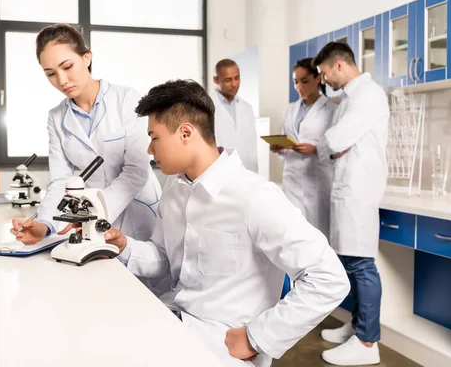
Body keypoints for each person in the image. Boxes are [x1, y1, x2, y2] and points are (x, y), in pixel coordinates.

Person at [100, 79, 349, 367]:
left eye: (154, 138)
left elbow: (329, 279)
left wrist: (257, 338)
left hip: (220, 347)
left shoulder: (255, 197)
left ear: (185, 133)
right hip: (174, 322)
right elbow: (164, 257)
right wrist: (125, 247)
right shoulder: (173, 188)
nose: (149, 151)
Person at [9, 24, 163, 282]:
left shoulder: (126, 99)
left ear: (86, 57)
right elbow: (61, 180)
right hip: (92, 221)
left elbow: (136, 171)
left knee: (147, 290)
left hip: (139, 214)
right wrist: (46, 225)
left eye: (67, 67)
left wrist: (93, 214)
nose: (62, 80)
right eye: (50, 74)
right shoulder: (56, 117)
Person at [313, 42, 389, 366]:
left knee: (362, 266)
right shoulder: (350, 97)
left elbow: (335, 140)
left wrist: (329, 143)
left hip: (358, 192)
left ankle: (368, 344)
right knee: (352, 263)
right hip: (348, 190)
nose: (324, 79)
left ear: (339, 66)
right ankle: (358, 327)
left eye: (324, 72)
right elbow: (332, 143)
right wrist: (330, 144)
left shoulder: (367, 95)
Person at [270, 57, 336, 237]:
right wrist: (280, 148)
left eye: (304, 81)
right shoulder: (290, 110)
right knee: (292, 235)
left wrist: (315, 149)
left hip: (317, 182)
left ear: (318, 78)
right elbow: (287, 137)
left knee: (316, 237)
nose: (299, 86)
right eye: (295, 82)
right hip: (291, 180)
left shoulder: (331, 110)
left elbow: (337, 146)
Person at [211, 59, 259, 172]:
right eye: (228, 80)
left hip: (247, 172)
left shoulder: (247, 108)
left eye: (237, 78)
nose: (234, 84)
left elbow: (251, 147)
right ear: (216, 80)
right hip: (220, 172)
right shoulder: (208, 108)